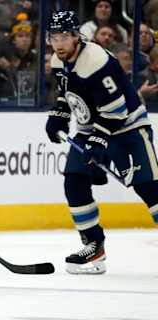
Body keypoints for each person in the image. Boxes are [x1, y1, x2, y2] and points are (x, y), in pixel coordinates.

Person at [45, 10, 158, 275]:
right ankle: (94, 245)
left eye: (64, 37)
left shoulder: (95, 60)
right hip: (90, 129)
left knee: (150, 191)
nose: (59, 44)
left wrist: (99, 142)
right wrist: (59, 115)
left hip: (127, 128)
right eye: (54, 38)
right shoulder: (57, 60)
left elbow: (116, 109)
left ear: (76, 37)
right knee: (74, 181)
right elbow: (66, 93)